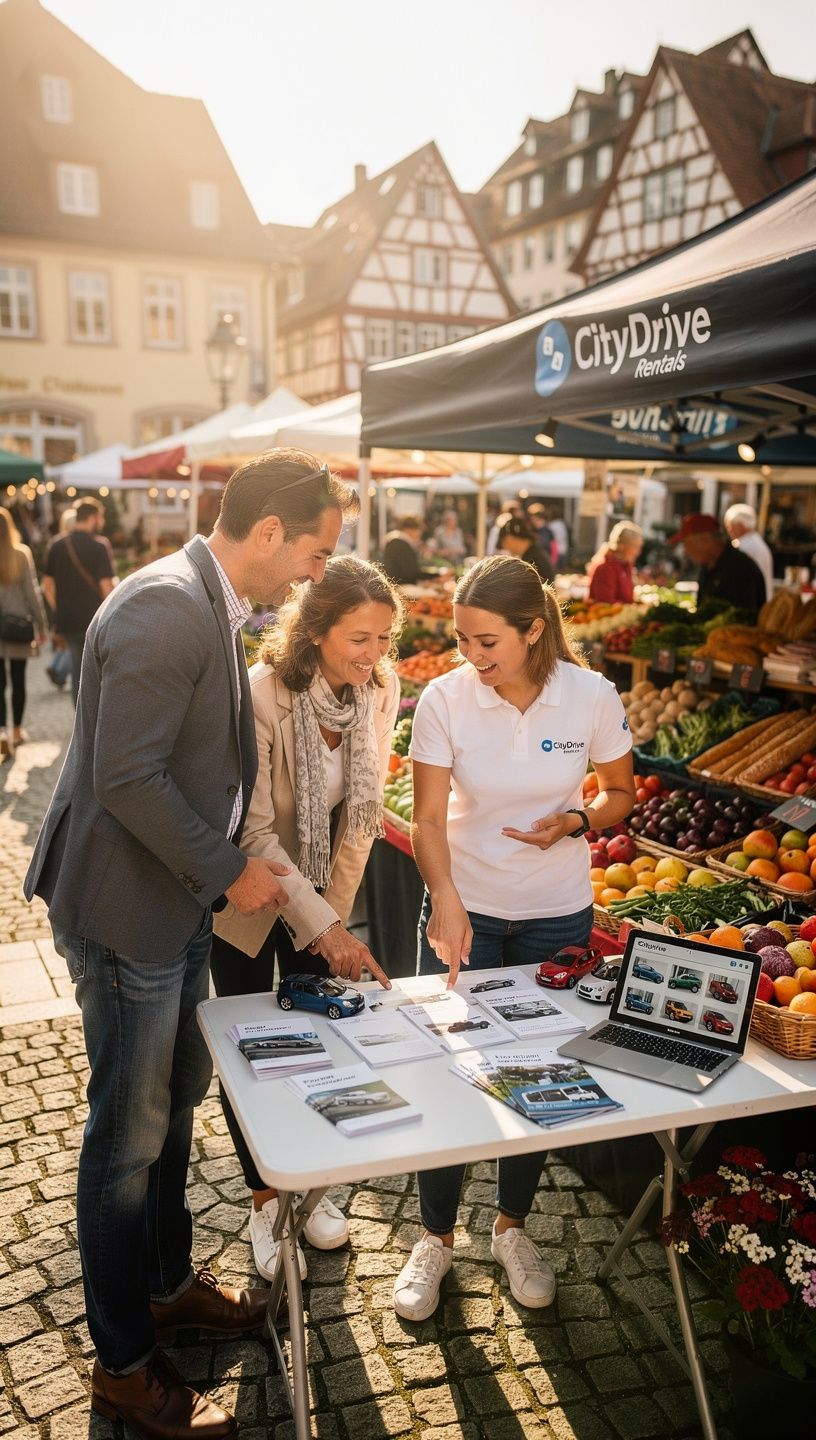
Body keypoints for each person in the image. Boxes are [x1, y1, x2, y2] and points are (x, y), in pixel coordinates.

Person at [24, 449, 357, 1440]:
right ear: (265, 533)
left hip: (166, 911)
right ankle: (123, 1363)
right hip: (128, 912)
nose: (312, 571)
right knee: (126, 1142)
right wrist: (229, 870)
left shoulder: (209, 599)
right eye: (313, 551)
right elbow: (126, 777)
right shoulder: (168, 604)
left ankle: (165, 1283)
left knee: (174, 1109)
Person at [392, 554, 635, 1322]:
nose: (474, 656)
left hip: (557, 912)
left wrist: (574, 822)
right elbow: (427, 820)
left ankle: (511, 1228)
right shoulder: (444, 698)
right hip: (468, 908)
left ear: (534, 631)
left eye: (488, 641)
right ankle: (434, 1236)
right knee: (451, 1064)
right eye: (464, 640)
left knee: (533, 1070)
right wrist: (445, 897)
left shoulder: (591, 695)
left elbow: (620, 791)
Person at [210, 555, 402, 1281]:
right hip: (251, 897)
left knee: (321, 1041)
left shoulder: (381, 690)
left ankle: (312, 1185)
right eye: (360, 638)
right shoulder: (264, 695)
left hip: (324, 890)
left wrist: (334, 925)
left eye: (384, 637)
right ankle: (265, 1201)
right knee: (254, 1048)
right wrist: (322, 926)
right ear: (315, 629)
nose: (374, 655)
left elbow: (362, 818)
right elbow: (255, 834)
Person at [41, 497, 115, 706]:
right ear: (92, 518)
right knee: (98, 672)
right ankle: (96, 723)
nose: (101, 522)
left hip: (67, 621)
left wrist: (60, 607)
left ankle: (79, 722)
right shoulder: (100, 546)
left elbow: (46, 585)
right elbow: (106, 588)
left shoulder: (56, 545)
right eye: (100, 517)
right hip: (95, 619)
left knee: (77, 669)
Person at [0, 506, 48, 758]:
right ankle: (17, 731)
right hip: (17, 626)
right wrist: (42, 624)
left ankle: (1, 732)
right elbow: (32, 592)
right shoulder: (21, 554)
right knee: (18, 682)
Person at [669, 513, 766, 617]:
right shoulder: (707, 565)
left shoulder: (740, 569)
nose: (685, 551)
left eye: (686, 544)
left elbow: (744, 620)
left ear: (705, 541)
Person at [723, 503, 774, 601]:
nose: (729, 530)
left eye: (731, 525)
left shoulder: (745, 546)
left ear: (742, 525)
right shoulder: (756, 542)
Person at [587, 521, 643, 603]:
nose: (638, 552)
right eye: (635, 546)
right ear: (621, 546)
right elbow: (605, 603)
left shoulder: (626, 566)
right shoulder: (605, 568)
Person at [496, 514, 555, 583]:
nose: (506, 548)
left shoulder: (531, 559)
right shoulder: (534, 553)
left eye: (505, 543)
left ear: (510, 539)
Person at [382, 514, 433, 585]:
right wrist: (434, 576)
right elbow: (411, 573)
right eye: (419, 530)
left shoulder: (398, 541)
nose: (420, 534)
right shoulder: (400, 543)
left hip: (398, 584)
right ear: (410, 529)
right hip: (401, 586)